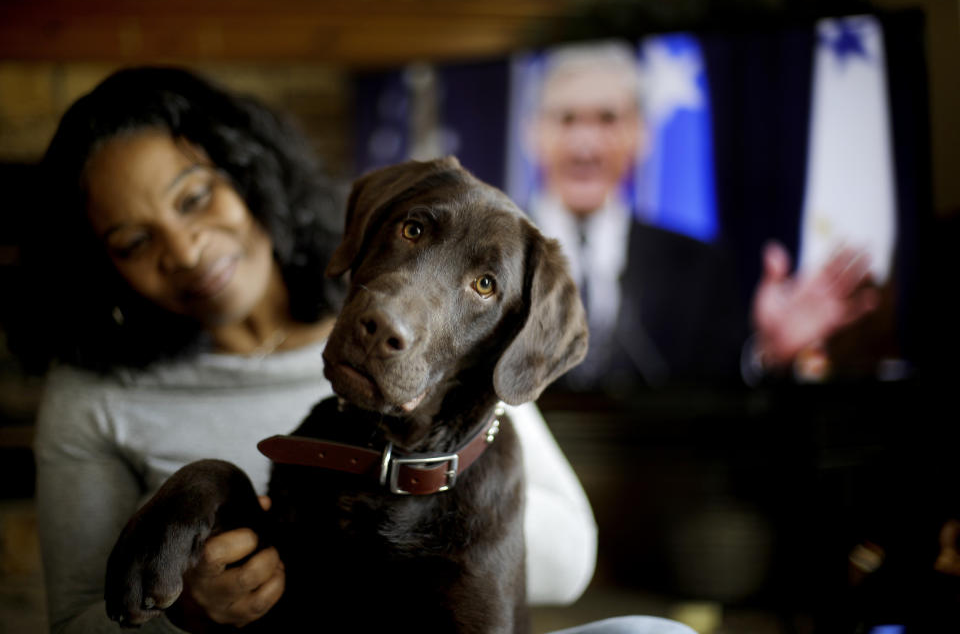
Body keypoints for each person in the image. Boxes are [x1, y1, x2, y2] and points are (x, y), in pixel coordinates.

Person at [5, 67, 619, 633]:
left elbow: (571, 558)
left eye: (195, 198)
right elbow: (75, 620)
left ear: (249, 172)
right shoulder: (94, 396)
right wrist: (184, 616)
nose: (187, 250)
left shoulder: (470, 389)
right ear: (101, 268)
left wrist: (398, 509)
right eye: (135, 240)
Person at [523, 41, 879, 390]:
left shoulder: (699, 265)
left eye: (607, 119)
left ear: (640, 134)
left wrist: (768, 353)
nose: (586, 145)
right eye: (567, 119)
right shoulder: (482, 258)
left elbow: (722, 395)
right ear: (534, 133)